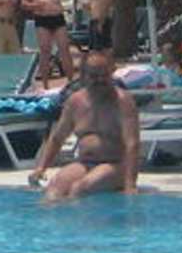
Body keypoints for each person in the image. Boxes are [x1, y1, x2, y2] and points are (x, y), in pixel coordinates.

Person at [27, 52, 139, 202]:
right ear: (83, 76)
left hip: (115, 165)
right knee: (54, 189)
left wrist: (130, 184)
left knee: (80, 188)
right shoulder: (75, 102)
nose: (100, 80)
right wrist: (41, 168)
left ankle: (79, 217)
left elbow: (132, 144)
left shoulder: (123, 101)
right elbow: (57, 138)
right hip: (84, 163)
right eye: (94, 76)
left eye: (104, 75)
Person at [20, 0, 76, 86]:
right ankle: (45, 84)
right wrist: (35, 5)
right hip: (42, 18)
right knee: (45, 50)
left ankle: (71, 81)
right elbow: (23, 3)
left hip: (57, 17)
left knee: (64, 48)